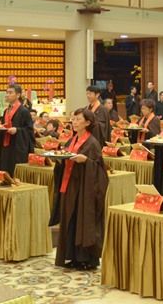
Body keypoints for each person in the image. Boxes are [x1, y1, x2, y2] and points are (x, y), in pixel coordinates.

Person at [50, 107, 108, 270]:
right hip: (70, 185)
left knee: (83, 220)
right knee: (70, 220)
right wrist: (59, 160)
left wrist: (86, 161)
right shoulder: (72, 140)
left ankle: (86, 259)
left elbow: (100, 170)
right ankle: (73, 256)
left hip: (84, 189)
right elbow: (66, 156)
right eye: (73, 119)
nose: (74, 122)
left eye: (78, 119)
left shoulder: (92, 143)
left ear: (87, 123)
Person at [0, 84, 35, 177]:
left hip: (17, 147)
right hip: (6, 146)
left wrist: (17, 130)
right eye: (7, 92)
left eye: (10, 93)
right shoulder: (6, 111)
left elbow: (30, 130)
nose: (7, 95)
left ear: (18, 95)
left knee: (14, 174)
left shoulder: (24, 111)